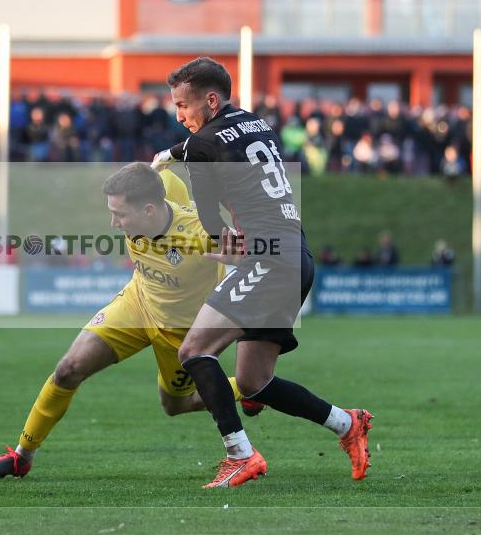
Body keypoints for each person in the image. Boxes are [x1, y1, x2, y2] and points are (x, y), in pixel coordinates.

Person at [153, 57, 371, 488]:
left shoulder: (202, 144)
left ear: (210, 100)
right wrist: (171, 152)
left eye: (183, 105)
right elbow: (213, 142)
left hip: (266, 260)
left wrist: (219, 244)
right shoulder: (256, 123)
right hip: (296, 257)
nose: (179, 115)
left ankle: (240, 454)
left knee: (195, 350)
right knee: (253, 382)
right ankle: (347, 424)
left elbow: (209, 217)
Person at [0, 164, 250, 479]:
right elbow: (168, 160)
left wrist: (239, 258)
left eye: (119, 214)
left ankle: (245, 388)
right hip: (136, 303)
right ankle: (21, 456)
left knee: (177, 405)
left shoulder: (201, 235)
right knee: (68, 369)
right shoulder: (159, 180)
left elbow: (251, 255)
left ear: (149, 210)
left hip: (179, 333)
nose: (113, 222)